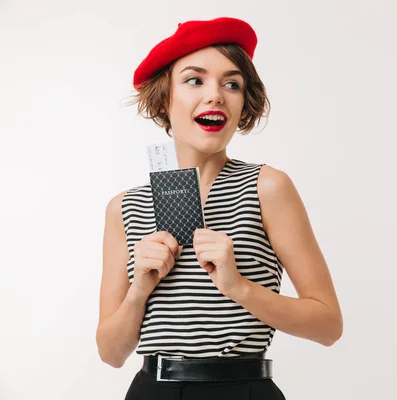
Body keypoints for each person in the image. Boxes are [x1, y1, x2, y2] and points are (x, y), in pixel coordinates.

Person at [95, 17, 343, 399]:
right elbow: (110, 354)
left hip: (243, 389)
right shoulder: (124, 208)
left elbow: (328, 325)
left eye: (232, 83)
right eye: (195, 80)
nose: (215, 95)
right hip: (153, 390)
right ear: (165, 98)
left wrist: (238, 287)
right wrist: (140, 289)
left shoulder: (268, 187)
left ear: (244, 104)